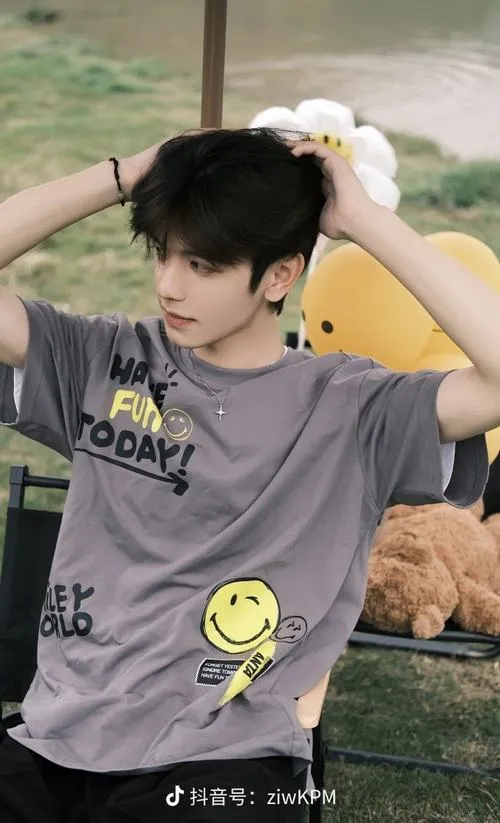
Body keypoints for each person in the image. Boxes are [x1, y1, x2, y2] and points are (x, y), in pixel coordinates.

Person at [0, 127, 498, 822]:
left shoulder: (352, 409)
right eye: (163, 252)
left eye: (203, 265)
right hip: (56, 734)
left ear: (280, 275)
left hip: (222, 759)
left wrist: (362, 221)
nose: (168, 284)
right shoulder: (103, 360)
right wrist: (124, 177)